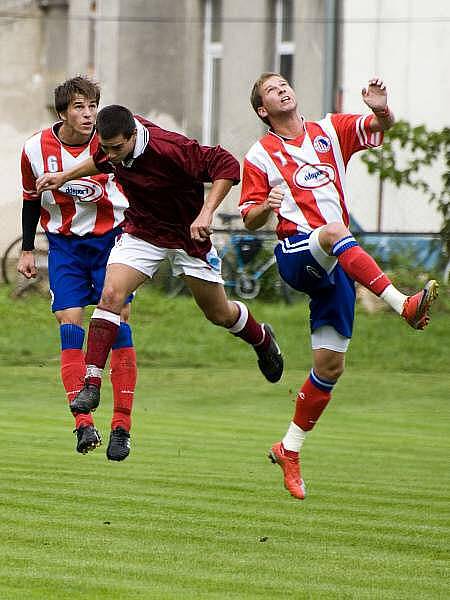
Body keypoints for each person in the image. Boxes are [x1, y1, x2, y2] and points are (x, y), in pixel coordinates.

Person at [240, 73, 439, 500]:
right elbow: (248, 217)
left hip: (338, 263)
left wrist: (381, 108)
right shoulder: (259, 154)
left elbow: (380, 128)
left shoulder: (330, 129)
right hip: (297, 253)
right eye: (272, 90)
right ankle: (403, 303)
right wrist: (264, 207)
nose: (283, 89)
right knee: (331, 232)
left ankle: (288, 448)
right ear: (263, 110)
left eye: (284, 83)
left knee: (330, 367)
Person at [35, 104, 283, 418]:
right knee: (110, 296)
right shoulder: (111, 143)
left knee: (219, 313)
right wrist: (62, 176)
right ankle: (92, 384)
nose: (110, 155)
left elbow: (226, 164)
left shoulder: (170, 149)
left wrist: (206, 213)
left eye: (116, 148)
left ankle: (261, 339)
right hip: (143, 231)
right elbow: (100, 161)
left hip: (187, 237)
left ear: (133, 136)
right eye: (106, 147)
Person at [18, 77, 137, 461]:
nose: (88, 115)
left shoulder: (111, 142)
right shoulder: (35, 148)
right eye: (79, 108)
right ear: (62, 112)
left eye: (92, 107)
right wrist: (24, 249)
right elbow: (29, 199)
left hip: (112, 242)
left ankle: (122, 427)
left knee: (116, 320)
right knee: (69, 323)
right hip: (65, 247)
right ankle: (84, 424)